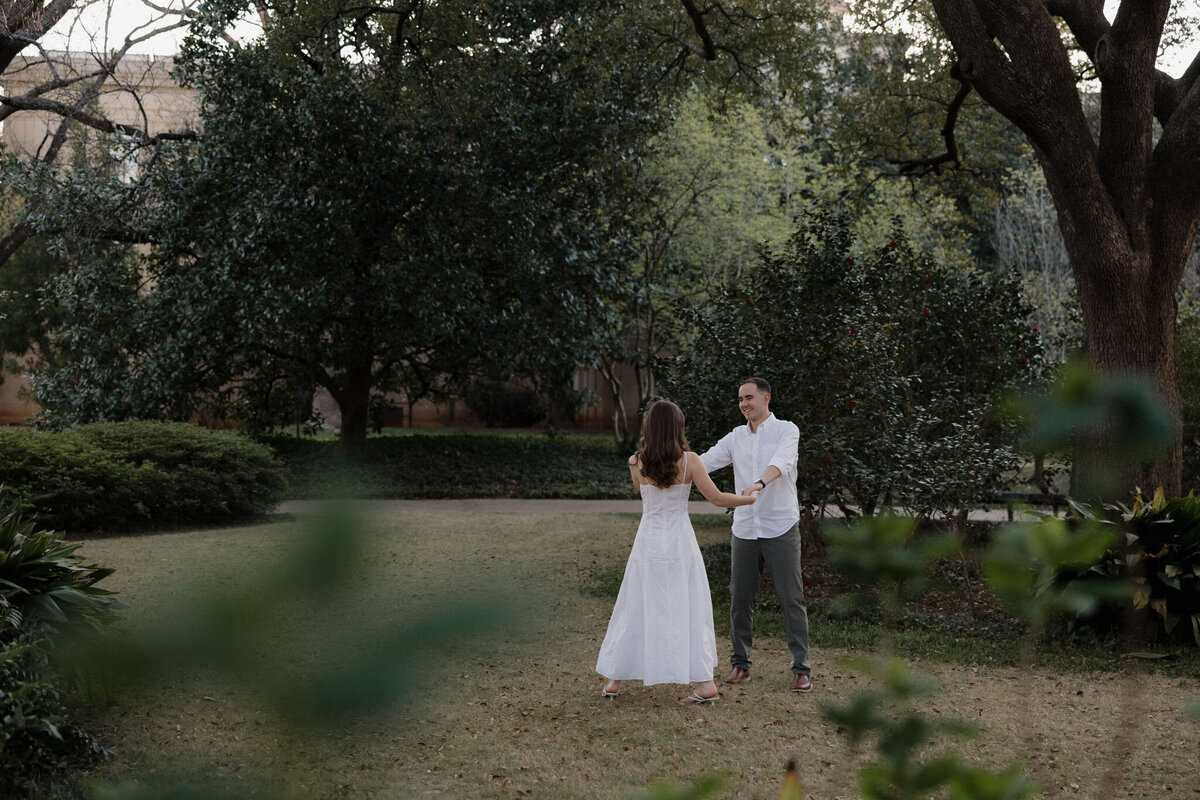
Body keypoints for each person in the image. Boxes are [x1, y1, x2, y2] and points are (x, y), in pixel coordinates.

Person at [595, 399, 756, 705]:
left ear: (649, 428)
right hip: (680, 544)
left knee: (635, 605)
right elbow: (717, 499)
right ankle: (705, 684)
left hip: (648, 543)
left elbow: (645, 494)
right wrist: (750, 499)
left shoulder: (635, 462)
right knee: (687, 607)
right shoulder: (690, 461)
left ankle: (614, 679)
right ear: (677, 427)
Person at [700, 377, 812, 693]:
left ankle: (801, 669)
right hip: (745, 528)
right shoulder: (735, 437)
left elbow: (782, 462)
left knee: (792, 599)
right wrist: (665, 462)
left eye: (748, 397)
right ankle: (740, 664)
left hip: (781, 527)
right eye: (740, 399)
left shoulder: (787, 431)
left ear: (766, 399)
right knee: (739, 597)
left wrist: (760, 483)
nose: (743, 404)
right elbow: (703, 462)